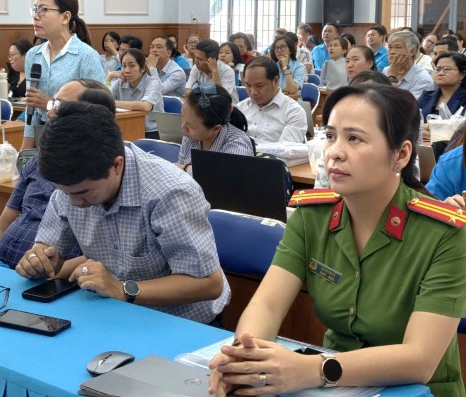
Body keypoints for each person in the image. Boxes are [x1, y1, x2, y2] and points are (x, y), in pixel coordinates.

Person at [209, 84, 466, 397]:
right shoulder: (311, 216)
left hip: (416, 390)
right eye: (330, 136)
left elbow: (420, 359)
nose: (334, 152)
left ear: (400, 154)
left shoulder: (445, 234)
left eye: (354, 138)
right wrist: (243, 359)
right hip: (333, 386)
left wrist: (313, 370)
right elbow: (268, 303)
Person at [16, 101, 230, 324]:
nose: (73, 202)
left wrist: (122, 289)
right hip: (112, 312)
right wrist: (39, 259)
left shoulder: (169, 192)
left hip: (181, 323)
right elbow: (51, 252)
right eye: (63, 191)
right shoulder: (72, 184)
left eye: (83, 192)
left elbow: (209, 283)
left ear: (116, 166)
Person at [0, 79, 113, 268]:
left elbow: (99, 255)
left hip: (48, 281)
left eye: (61, 106)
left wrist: (46, 274)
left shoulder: (99, 178)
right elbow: (0, 228)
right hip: (1, 273)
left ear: (91, 118)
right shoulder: (37, 160)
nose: (50, 112)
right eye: (52, 103)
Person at [22, 0, 106, 149]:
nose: (36, 17)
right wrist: (23, 154)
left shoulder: (86, 56)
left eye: (44, 9)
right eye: (35, 9)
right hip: (44, 139)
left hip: (78, 142)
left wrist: (50, 104)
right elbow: (30, 111)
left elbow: (100, 112)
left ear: (65, 17)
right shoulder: (33, 55)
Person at [176, 84, 254, 176]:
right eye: (183, 119)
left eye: (190, 126)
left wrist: (186, 168)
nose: (183, 128)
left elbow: (224, 181)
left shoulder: (238, 145)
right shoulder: (190, 136)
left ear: (216, 128)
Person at [236, 57, 307, 144]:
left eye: (259, 86)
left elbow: (286, 151)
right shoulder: (239, 109)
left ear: (275, 81)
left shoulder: (294, 112)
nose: (253, 92)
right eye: (248, 85)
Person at [110, 48, 163, 139]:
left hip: (152, 132)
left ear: (142, 68)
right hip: (126, 127)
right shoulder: (120, 81)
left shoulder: (153, 81)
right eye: (124, 66)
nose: (126, 70)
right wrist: (109, 77)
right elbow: (103, 98)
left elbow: (145, 106)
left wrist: (113, 102)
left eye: (132, 66)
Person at [382, 30, 435, 99]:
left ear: (412, 51)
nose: (392, 52)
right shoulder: (386, 70)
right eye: (390, 47)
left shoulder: (423, 79)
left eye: (397, 47)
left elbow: (404, 107)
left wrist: (392, 77)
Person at [417, 52, 466, 124]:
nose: (441, 73)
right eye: (438, 69)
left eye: (447, 69)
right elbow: (411, 123)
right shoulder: (425, 97)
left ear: (462, 74)